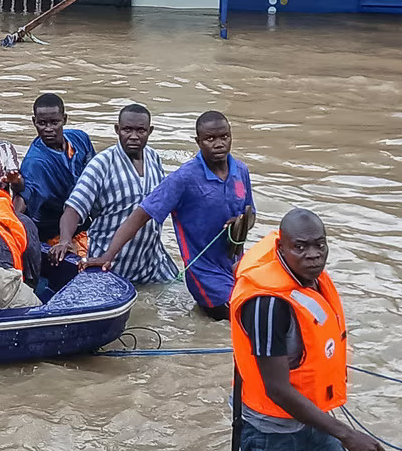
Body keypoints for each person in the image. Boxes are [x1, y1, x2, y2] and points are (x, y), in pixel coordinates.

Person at [228, 209, 385, 451]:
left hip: (312, 418)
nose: (313, 255)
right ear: (281, 248)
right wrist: (348, 435)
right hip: (271, 430)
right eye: (300, 247)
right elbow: (276, 389)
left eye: (320, 244)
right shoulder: (268, 306)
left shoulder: (310, 280)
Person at [84, 111, 254, 320]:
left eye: (224, 137)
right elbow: (140, 215)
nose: (219, 144)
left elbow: (250, 213)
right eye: (210, 139)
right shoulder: (184, 178)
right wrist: (107, 256)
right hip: (204, 274)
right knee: (244, 319)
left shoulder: (241, 171)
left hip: (237, 265)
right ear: (198, 141)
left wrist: (241, 223)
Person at [52, 105, 180, 285]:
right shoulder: (102, 164)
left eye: (140, 130)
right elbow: (74, 208)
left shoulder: (153, 158)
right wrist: (65, 240)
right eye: (127, 130)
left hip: (152, 263)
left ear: (150, 131)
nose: (134, 136)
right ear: (117, 130)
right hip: (110, 263)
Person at [19, 93, 95, 246]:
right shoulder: (34, 162)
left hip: (83, 220)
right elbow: (25, 197)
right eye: (42, 123)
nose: (48, 129)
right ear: (34, 122)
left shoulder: (80, 139)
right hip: (51, 230)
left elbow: (96, 178)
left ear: (64, 119)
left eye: (54, 122)